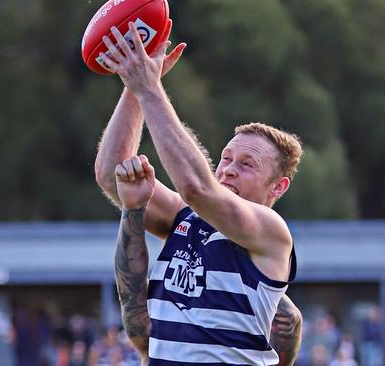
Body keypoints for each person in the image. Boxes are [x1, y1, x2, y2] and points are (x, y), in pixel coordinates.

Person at [94, 20, 303, 365]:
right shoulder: (183, 217)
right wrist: (137, 84)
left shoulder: (271, 232)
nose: (230, 168)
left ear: (278, 187)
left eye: (248, 164)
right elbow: (110, 172)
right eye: (226, 158)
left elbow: (196, 187)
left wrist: (149, 89)